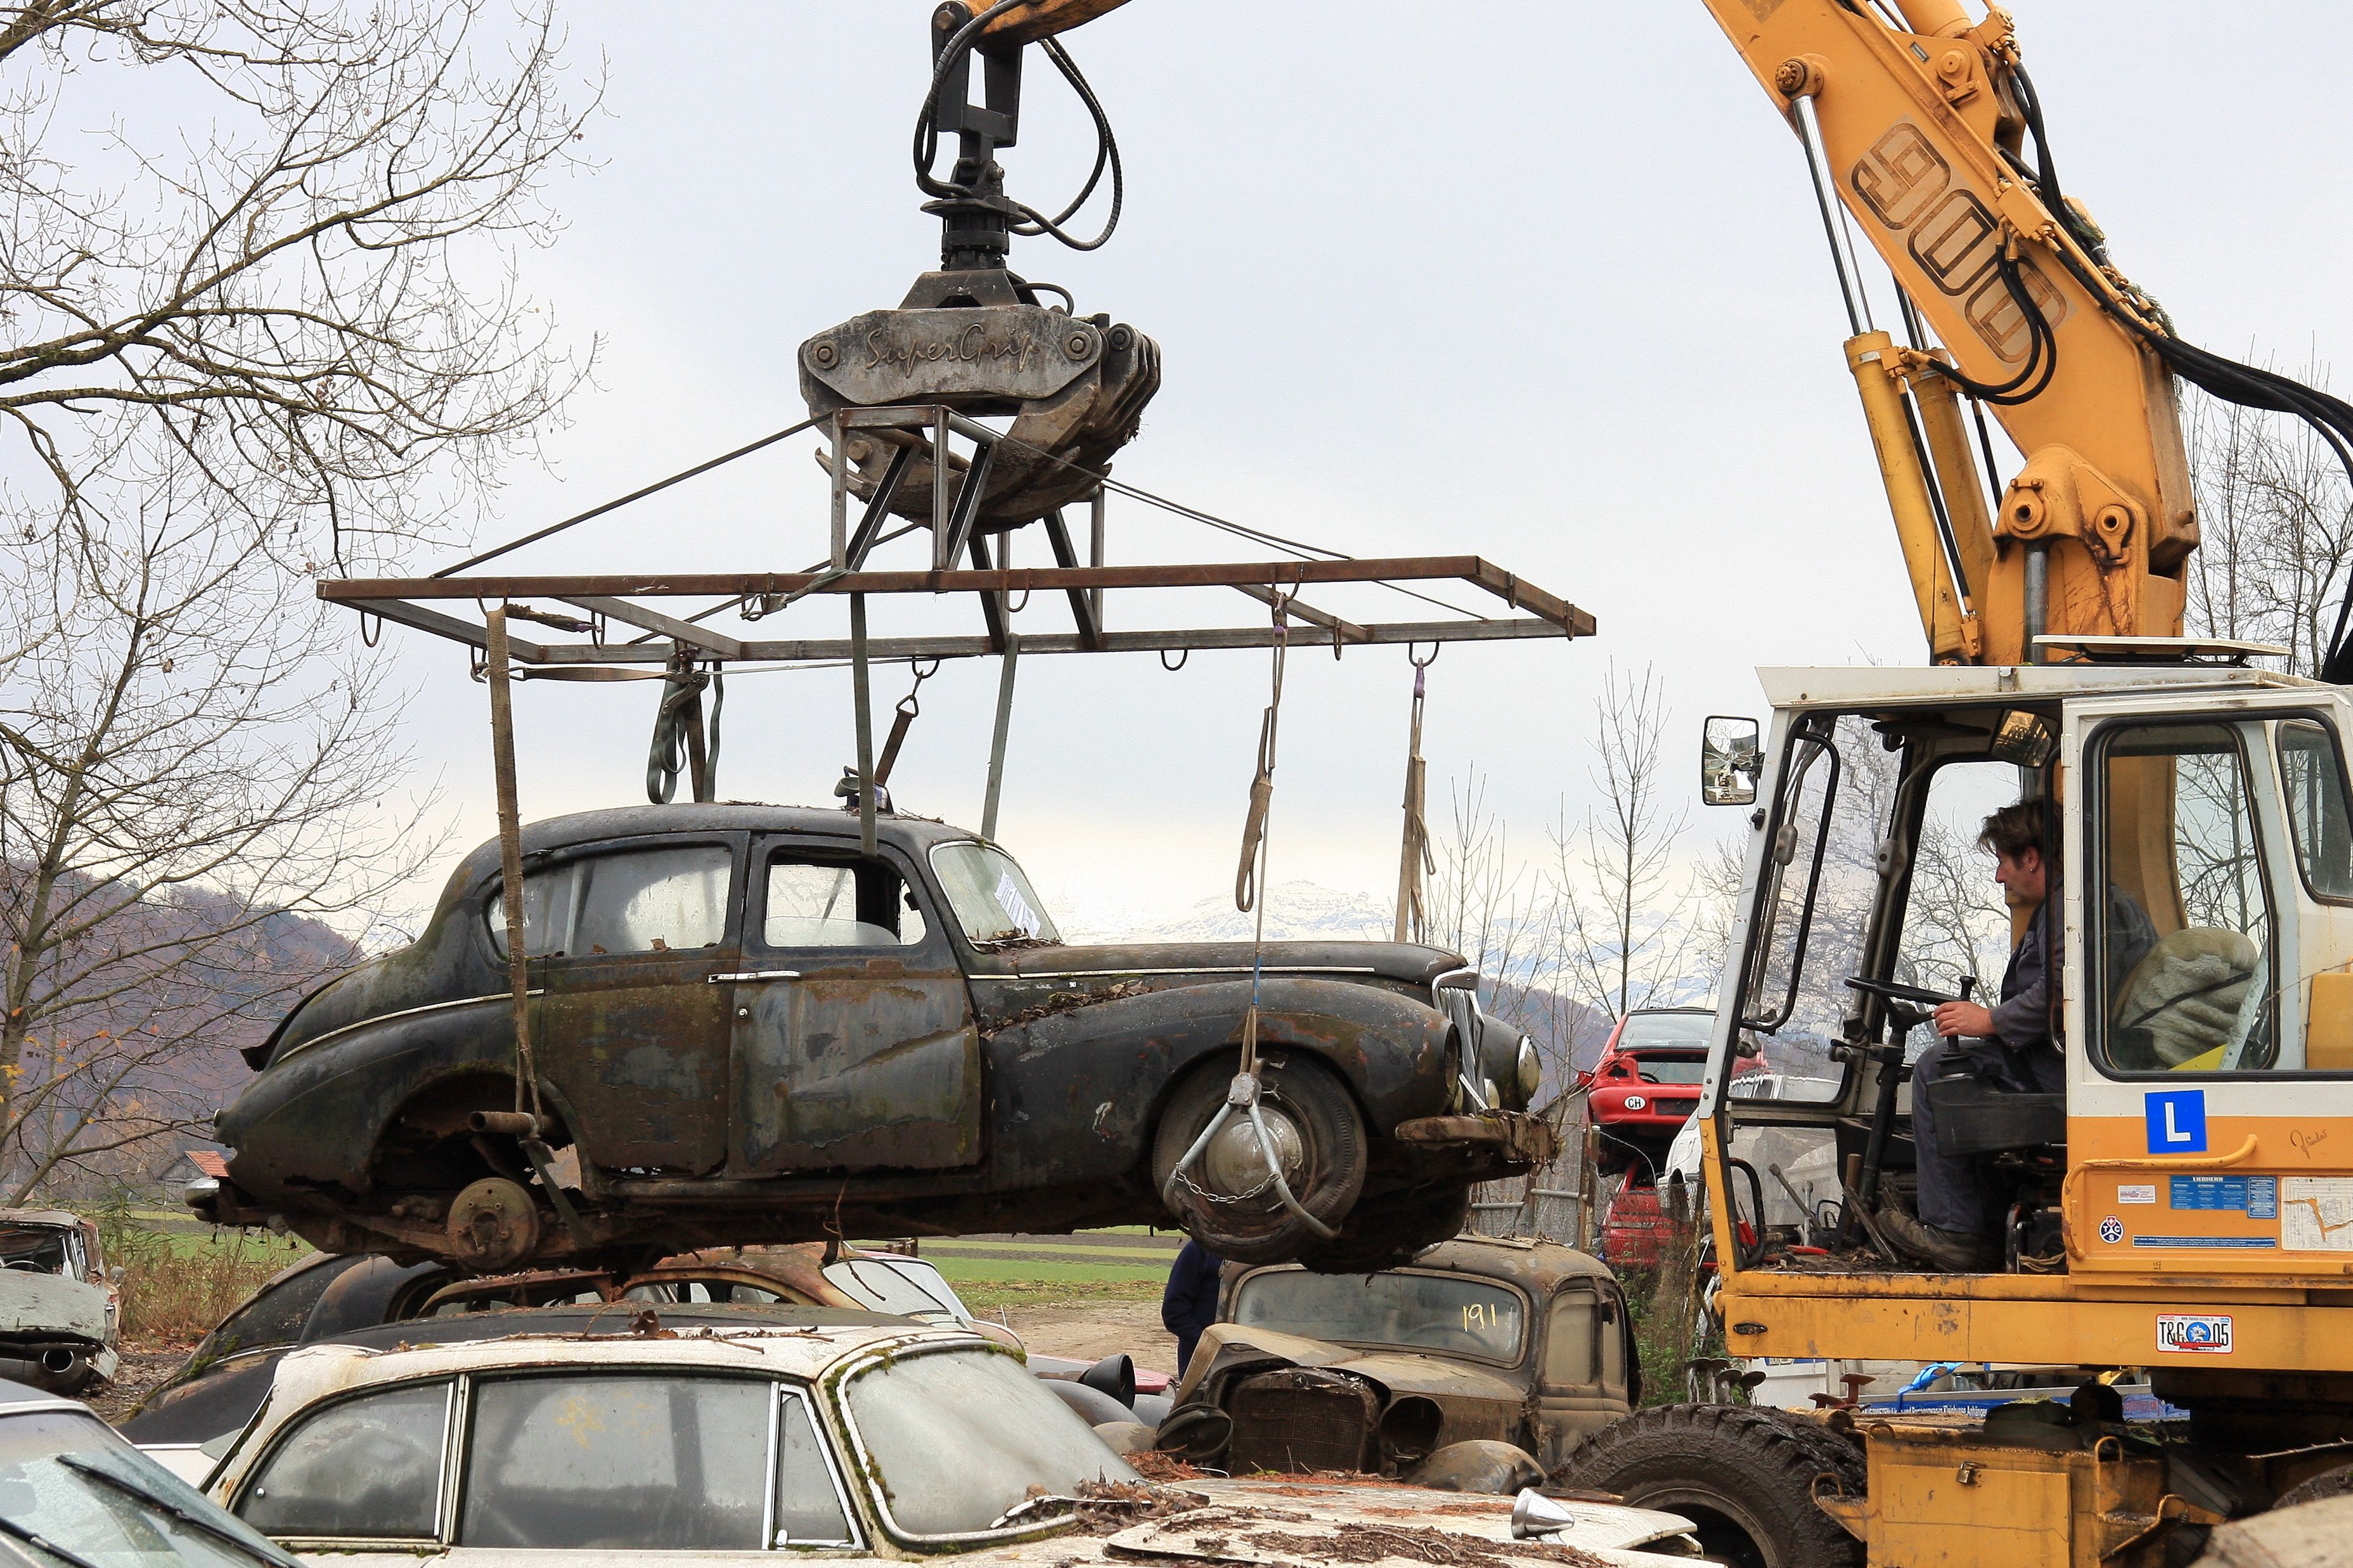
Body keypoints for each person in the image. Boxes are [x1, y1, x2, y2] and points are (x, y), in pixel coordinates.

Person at [1879, 799, 2155, 1271]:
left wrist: (1987, 1022)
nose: (1999, 877)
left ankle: (1955, 1233)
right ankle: (1983, 1225)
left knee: (1936, 1071)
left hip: (2062, 1076)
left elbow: (2063, 993)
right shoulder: (2091, 903)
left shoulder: (2080, 910)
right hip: (2069, 1064)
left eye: (2003, 863)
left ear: (2030, 858)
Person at [1161, 1237, 1223, 1377]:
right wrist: (1208, 1344)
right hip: (1203, 1366)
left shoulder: (1271, 1253)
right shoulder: (1202, 1250)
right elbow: (1174, 1312)